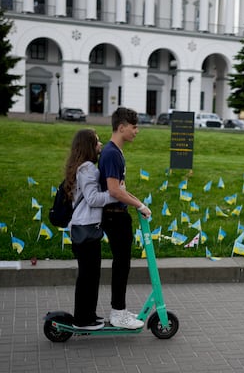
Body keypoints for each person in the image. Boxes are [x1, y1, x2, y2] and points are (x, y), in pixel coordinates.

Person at [99, 107, 152, 330]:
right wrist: (138, 204)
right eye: (134, 126)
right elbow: (113, 190)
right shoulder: (111, 153)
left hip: (119, 214)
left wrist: (139, 203)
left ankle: (119, 310)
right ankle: (118, 314)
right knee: (122, 265)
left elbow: (121, 189)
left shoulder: (115, 152)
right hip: (114, 217)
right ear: (122, 127)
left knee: (123, 264)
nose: (137, 131)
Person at [65, 128, 115, 330]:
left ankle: (88, 315)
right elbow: (93, 199)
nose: (100, 145)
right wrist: (115, 194)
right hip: (84, 229)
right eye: (96, 142)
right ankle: (82, 319)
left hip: (86, 227)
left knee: (91, 275)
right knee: (87, 276)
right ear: (88, 146)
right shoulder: (86, 169)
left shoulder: (84, 167)